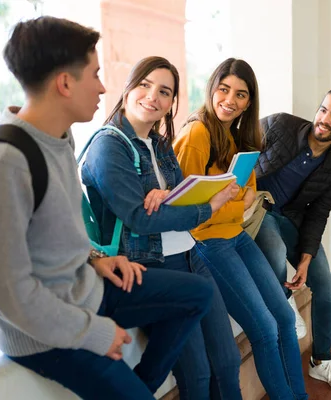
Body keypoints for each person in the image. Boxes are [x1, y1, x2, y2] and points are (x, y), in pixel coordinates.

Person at [0, 17, 213, 400]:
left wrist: (97, 257)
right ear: (65, 83)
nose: (103, 87)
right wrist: (95, 332)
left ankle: (140, 386)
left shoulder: (58, 138)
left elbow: (53, 231)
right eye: (95, 74)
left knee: (198, 293)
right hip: (44, 333)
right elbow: (11, 294)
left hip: (85, 289)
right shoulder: (4, 163)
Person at [81, 56, 242, 400]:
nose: (153, 96)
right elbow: (139, 218)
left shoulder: (161, 143)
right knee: (196, 376)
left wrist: (169, 193)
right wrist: (205, 208)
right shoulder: (107, 146)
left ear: (171, 103)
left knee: (228, 361)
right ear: (127, 89)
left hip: (191, 257)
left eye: (164, 91)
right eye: (144, 85)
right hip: (150, 266)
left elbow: (176, 198)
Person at [174, 58, 308, 400]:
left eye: (241, 94)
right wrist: (235, 201)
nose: (230, 100)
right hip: (208, 243)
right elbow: (190, 209)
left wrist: (234, 201)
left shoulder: (239, 138)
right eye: (223, 89)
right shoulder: (197, 133)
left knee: (283, 315)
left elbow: (249, 195)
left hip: (236, 236)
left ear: (250, 102)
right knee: (263, 328)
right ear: (212, 89)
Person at [254, 87, 331, 393]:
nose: (325, 120)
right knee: (274, 250)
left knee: (325, 285)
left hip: (292, 220)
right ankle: (285, 302)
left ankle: (321, 362)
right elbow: (239, 149)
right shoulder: (279, 125)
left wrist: (305, 258)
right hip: (257, 211)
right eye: (324, 110)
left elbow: (318, 214)